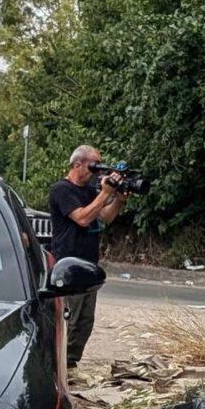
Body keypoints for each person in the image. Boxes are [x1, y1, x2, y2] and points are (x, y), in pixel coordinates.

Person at [47, 144, 127, 370]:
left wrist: (118, 199)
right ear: (77, 164)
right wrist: (104, 193)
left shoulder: (91, 190)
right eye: (93, 166)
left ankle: (70, 364)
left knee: (84, 321)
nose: (96, 172)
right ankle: (56, 365)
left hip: (89, 264)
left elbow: (104, 217)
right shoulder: (62, 190)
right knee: (69, 320)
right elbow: (82, 218)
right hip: (69, 266)